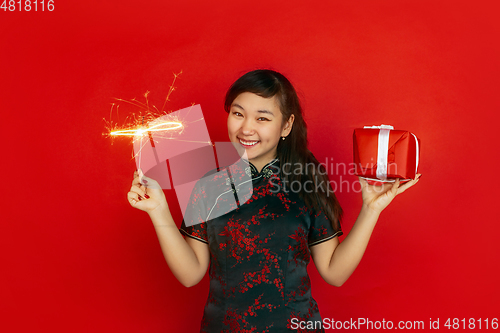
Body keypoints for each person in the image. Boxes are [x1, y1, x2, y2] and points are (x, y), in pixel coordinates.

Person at [127, 69, 421, 332]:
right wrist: (159, 210)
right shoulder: (209, 185)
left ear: (286, 125)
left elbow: (334, 272)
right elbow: (191, 274)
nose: (246, 129)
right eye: (238, 113)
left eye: (262, 118)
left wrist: (370, 209)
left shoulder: (308, 180)